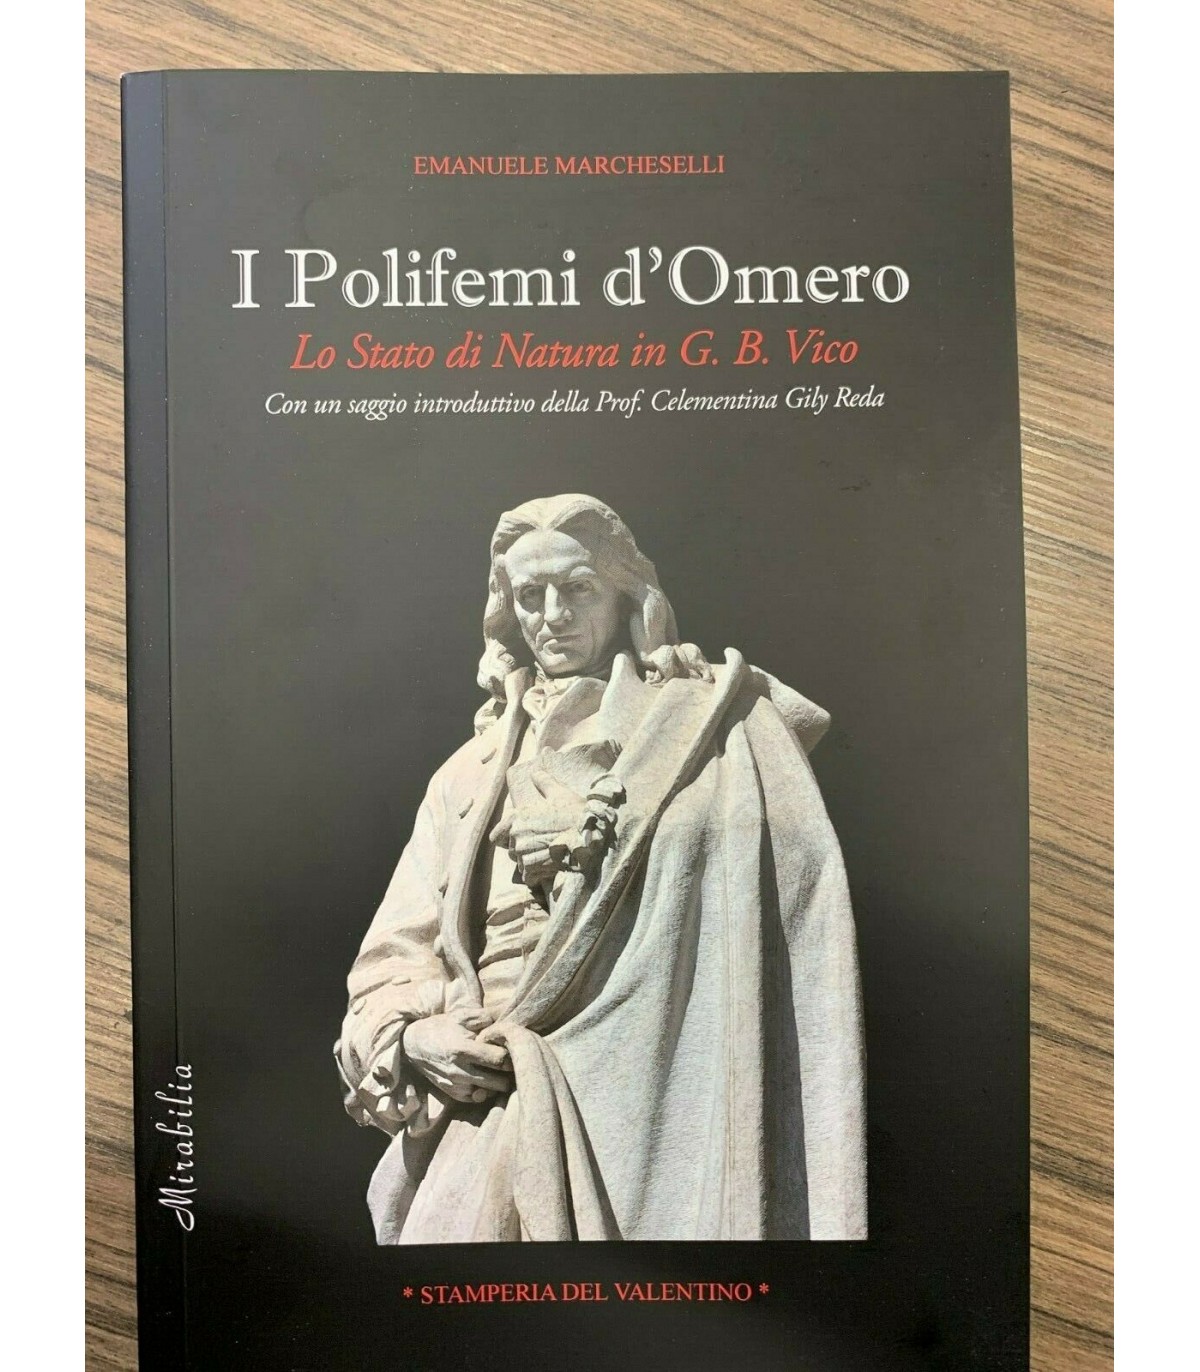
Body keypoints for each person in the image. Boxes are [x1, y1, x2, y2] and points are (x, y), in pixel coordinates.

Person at [335, 493, 866, 1241]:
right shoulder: (464, 776)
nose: (551, 614)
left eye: (577, 588)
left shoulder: (706, 728)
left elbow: (786, 891)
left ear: (625, 596)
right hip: (494, 1085)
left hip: (657, 1086)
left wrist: (610, 838)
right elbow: (388, 965)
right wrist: (415, 1038)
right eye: (530, 595)